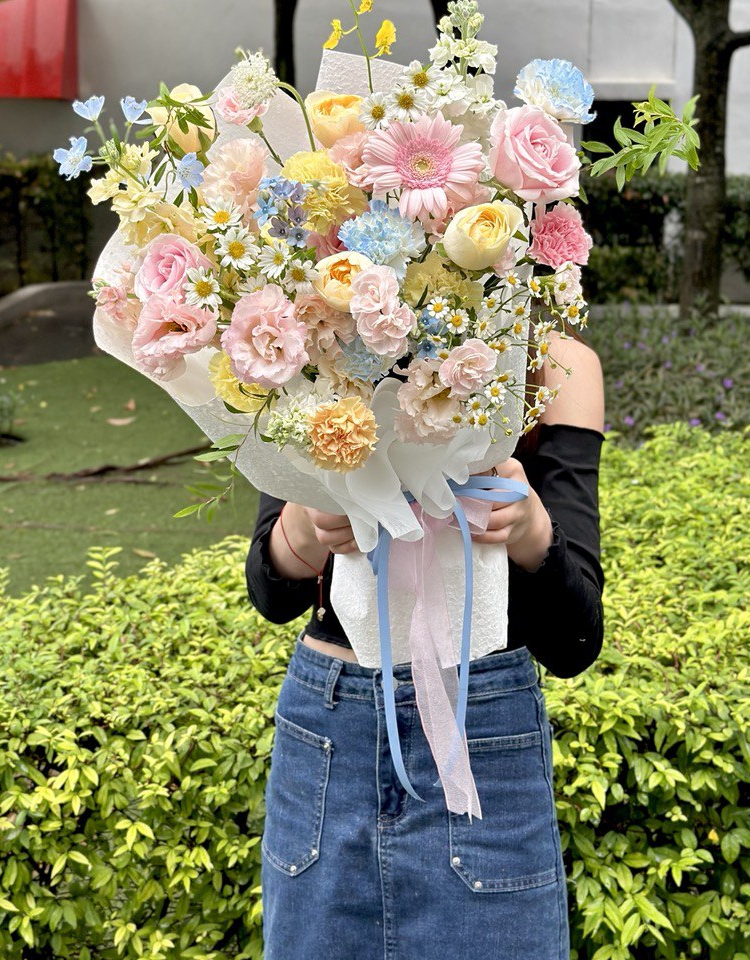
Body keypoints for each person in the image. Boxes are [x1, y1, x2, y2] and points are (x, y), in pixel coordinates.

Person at [245, 314, 606, 959]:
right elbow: (273, 594)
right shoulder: (315, 329)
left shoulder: (557, 365)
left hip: (483, 737)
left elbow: (575, 640)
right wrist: (304, 525)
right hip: (331, 736)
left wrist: (529, 531)